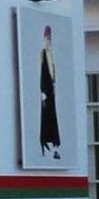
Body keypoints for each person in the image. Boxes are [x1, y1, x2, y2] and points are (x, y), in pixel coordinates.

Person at [39, 23, 62, 161]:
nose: (48, 41)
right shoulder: (43, 54)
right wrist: (42, 91)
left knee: (52, 118)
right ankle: (48, 145)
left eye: (49, 39)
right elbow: (42, 74)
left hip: (51, 92)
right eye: (47, 39)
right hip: (46, 92)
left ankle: (54, 147)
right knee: (46, 117)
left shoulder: (51, 55)